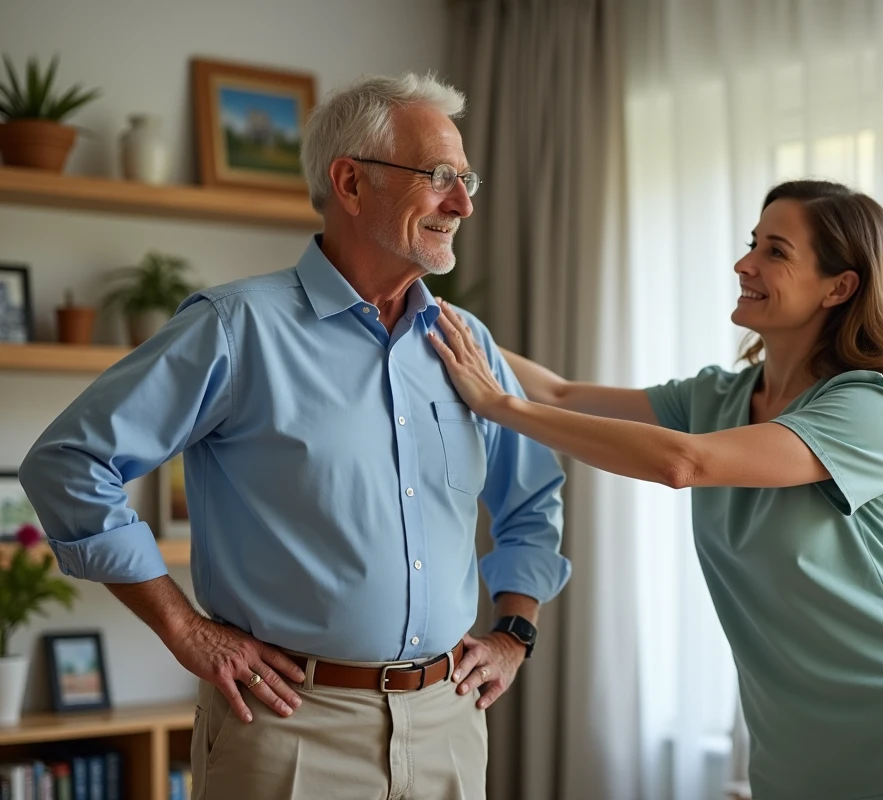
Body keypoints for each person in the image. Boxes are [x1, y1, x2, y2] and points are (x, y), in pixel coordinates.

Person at [19, 73, 569, 800]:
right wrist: (183, 627)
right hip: (290, 729)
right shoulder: (234, 329)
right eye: (439, 178)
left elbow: (533, 502)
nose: (463, 204)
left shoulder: (470, 346)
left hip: (450, 726)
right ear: (350, 181)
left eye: (465, 179)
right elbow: (68, 464)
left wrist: (513, 637)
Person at [429, 179, 883, 800]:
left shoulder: (865, 405)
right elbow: (560, 394)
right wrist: (426, 313)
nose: (744, 263)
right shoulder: (719, 397)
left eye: (776, 252)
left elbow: (685, 463)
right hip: (794, 765)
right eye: (753, 243)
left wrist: (499, 406)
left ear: (840, 287)